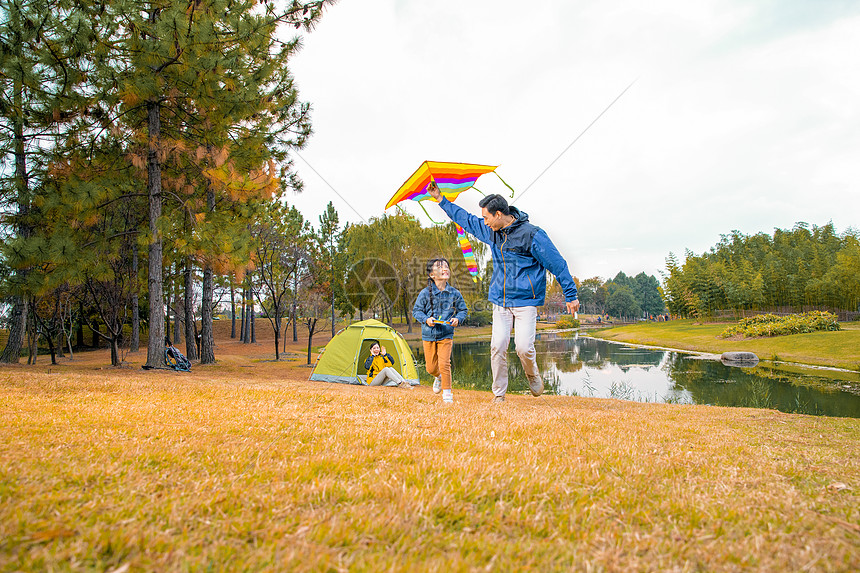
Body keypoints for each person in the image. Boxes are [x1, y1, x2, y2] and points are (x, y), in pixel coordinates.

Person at [427, 183, 578, 402]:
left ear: (499, 214)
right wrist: (440, 199)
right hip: (500, 300)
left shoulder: (532, 235)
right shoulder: (492, 232)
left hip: (526, 300)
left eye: (487, 217)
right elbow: (465, 219)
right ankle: (499, 395)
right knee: (497, 346)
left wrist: (571, 294)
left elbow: (558, 264)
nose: (484, 221)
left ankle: (533, 375)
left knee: (524, 347)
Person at [412, 257, 468, 404]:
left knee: (444, 364)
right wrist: (426, 319)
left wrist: (457, 319)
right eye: (439, 267)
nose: (445, 269)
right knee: (431, 368)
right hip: (428, 334)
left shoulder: (454, 293)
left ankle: (447, 395)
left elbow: (463, 310)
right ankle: (438, 377)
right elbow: (416, 311)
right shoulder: (425, 293)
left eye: (446, 266)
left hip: (446, 334)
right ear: (432, 275)